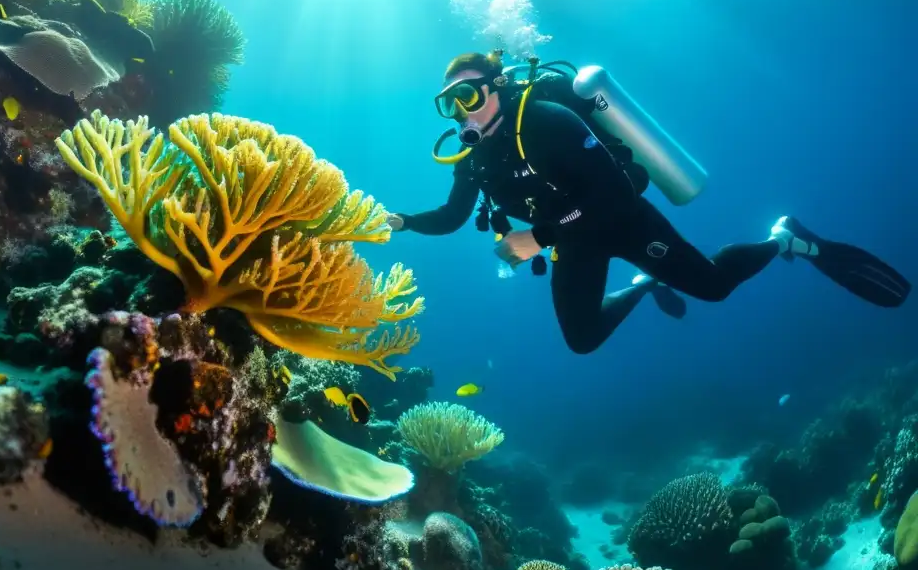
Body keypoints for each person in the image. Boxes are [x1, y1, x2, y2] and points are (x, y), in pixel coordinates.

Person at [388, 50, 910, 355]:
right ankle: (644, 282)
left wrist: (539, 237)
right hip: (573, 240)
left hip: (622, 221)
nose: (462, 113)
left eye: (469, 96)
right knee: (582, 338)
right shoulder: (474, 158)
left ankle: (783, 238)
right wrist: (403, 221)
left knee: (713, 287)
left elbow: (612, 192)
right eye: (449, 103)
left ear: (499, 87)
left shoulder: (548, 120)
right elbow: (453, 217)